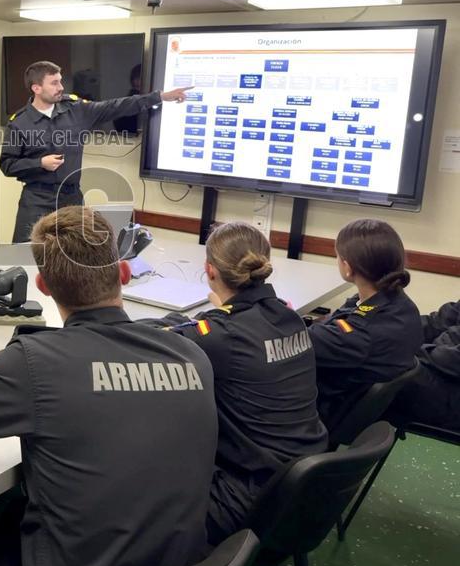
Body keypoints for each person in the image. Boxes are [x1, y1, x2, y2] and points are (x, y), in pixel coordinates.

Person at [0, 206, 216, 566]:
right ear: (124, 273)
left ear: (42, 285)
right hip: (179, 563)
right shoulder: (191, 354)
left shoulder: (37, 363)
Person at [166, 221, 328, 544]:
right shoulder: (291, 317)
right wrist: (223, 312)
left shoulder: (222, 334)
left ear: (210, 271)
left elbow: (161, 340)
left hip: (248, 499)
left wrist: (205, 318)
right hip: (305, 488)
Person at [0, 60, 192, 242]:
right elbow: (7, 165)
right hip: (36, 200)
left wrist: (159, 97)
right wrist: (39, 164)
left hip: (71, 199)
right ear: (36, 88)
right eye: (54, 83)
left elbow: (116, 106)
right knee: (27, 255)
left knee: (76, 256)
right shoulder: (19, 123)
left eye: (60, 81)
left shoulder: (76, 110)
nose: (61, 87)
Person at [309, 219, 422, 426]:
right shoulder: (402, 306)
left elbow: (298, 340)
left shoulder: (360, 334)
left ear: (348, 268)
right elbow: (346, 316)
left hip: (318, 413)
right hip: (350, 400)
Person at [385, 299, 460, 431]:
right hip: (440, 365)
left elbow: (449, 359)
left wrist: (407, 351)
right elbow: (436, 323)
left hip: (454, 391)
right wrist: (388, 328)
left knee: (382, 370)